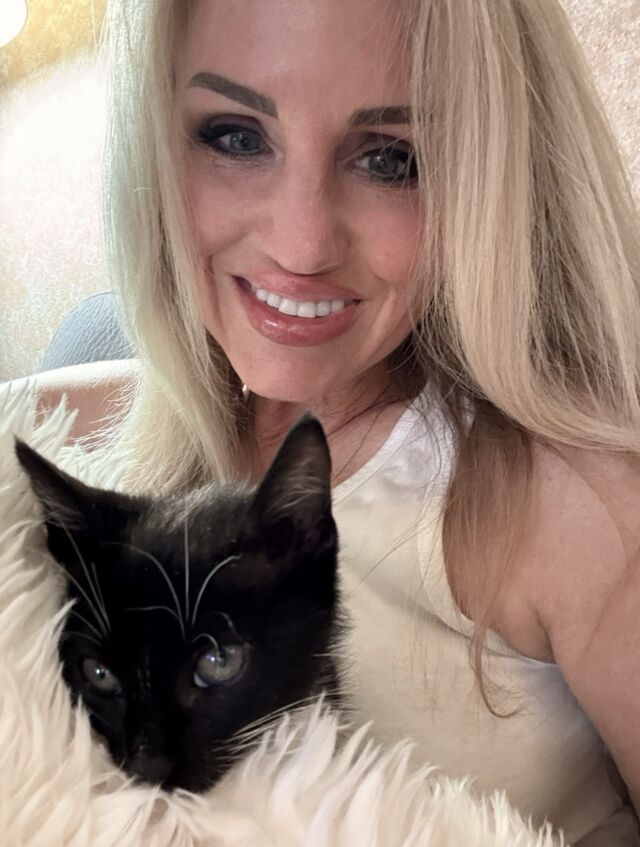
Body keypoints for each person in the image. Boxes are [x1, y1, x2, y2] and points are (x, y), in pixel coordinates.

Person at [7, 0, 640, 842]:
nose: (302, 245)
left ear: (490, 180)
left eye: (390, 157)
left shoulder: (577, 505)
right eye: (236, 136)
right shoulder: (125, 415)